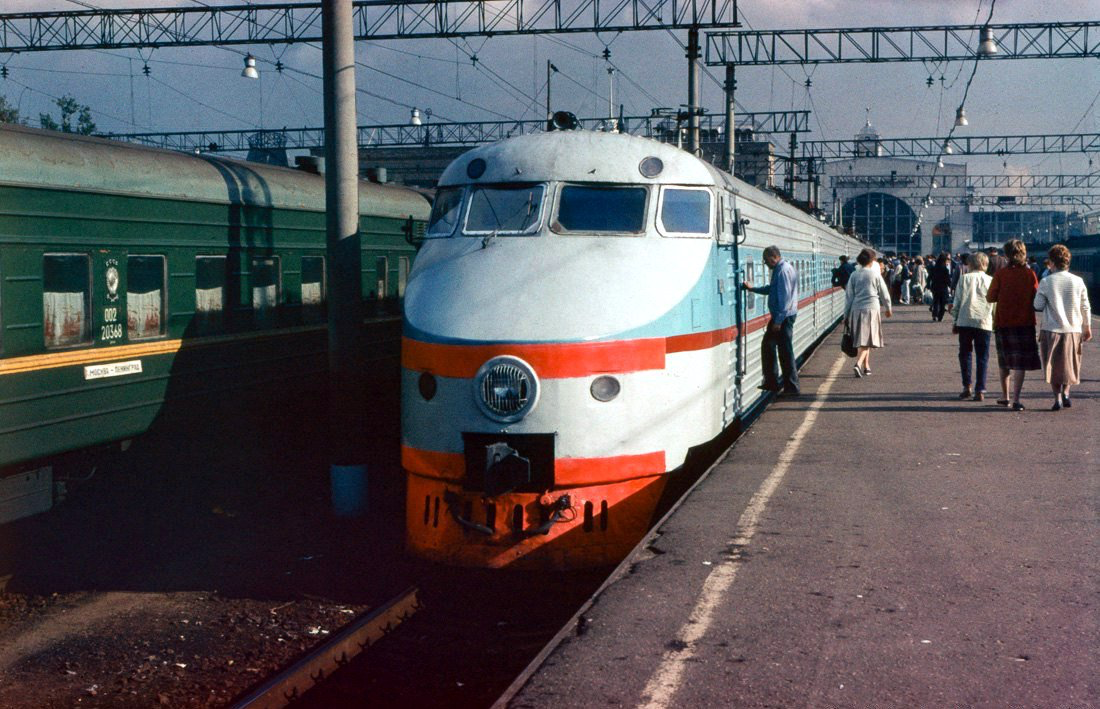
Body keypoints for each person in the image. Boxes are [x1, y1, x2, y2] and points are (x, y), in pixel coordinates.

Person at [1033, 244, 1092, 411]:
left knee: (1052, 365)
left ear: (1051, 262)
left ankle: (1057, 398)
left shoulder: (1046, 281)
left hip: (1051, 329)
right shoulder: (1078, 281)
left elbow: (1037, 305)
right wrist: (1087, 326)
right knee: (1070, 364)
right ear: (1068, 262)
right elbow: (1085, 306)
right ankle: (1066, 392)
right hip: (1073, 329)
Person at [986, 239, 1041, 411]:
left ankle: (1005, 396)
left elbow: (990, 297)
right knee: (1020, 363)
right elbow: (1036, 297)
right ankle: (1017, 399)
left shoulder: (1001, 274)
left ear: (1007, 255)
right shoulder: (1030, 274)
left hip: (1004, 322)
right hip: (1025, 322)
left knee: (1005, 361)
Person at [743, 246, 799, 395]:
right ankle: (772, 382)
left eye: (766, 260)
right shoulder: (780, 269)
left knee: (784, 351)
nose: (765, 263)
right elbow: (772, 289)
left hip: (783, 317)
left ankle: (790, 387)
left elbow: (786, 299)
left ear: (773, 257)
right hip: (782, 316)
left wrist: (778, 321)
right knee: (771, 346)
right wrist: (753, 289)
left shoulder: (782, 271)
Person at [952, 252, 995, 401]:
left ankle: (967, 386)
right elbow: (995, 303)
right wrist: (994, 322)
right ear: (985, 264)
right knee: (983, 356)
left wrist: (955, 321)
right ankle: (980, 389)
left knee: (965, 354)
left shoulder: (964, 279)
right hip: (984, 322)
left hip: (965, 321)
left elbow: (957, 302)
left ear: (970, 263)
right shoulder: (991, 280)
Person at [844, 247, 892, 378]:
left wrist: (846, 315)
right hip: (872, 309)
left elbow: (849, 297)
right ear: (871, 261)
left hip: (856, 309)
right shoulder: (875, 274)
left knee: (862, 339)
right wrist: (888, 308)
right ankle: (859, 364)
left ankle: (866, 366)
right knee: (868, 340)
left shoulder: (854, 275)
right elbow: (884, 293)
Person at [929, 252, 952, 321]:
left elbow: (929, 277)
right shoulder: (945, 269)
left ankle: (934, 315)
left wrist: (928, 285)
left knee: (936, 301)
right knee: (943, 303)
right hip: (943, 288)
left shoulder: (934, 268)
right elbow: (947, 280)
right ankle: (940, 316)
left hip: (935, 287)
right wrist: (951, 286)